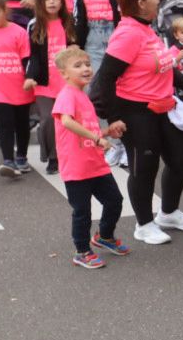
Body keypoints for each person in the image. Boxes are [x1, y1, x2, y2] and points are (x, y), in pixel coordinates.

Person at [91, 0, 183, 244]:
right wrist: (113, 118)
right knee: (144, 168)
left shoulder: (145, 28)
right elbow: (106, 77)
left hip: (164, 106)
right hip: (136, 112)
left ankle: (169, 213)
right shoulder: (128, 33)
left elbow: (164, 66)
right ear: (140, 3)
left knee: (181, 157)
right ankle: (144, 224)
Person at [50, 46, 128, 267]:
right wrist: (96, 139)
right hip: (76, 167)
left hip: (95, 164)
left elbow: (85, 131)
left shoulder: (83, 97)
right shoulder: (67, 95)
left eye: (87, 64)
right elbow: (66, 121)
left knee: (114, 201)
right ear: (64, 74)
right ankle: (82, 251)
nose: (85, 68)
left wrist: (106, 132)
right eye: (78, 65)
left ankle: (104, 236)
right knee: (82, 211)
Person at [0, 0, 35, 177]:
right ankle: (8, 161)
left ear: (5, 10)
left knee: (22, 123)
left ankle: (21, 157)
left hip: (20, 86)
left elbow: (28, 58)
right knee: (5, 122)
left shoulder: (18, 32)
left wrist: (29, 77)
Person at [23, 0, 71, 173]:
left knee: (68, 120)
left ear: (61, 1)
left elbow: (77, 50)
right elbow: (32, 56)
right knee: (48, 120)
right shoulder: (35, 25)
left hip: (67, 82)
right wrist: (30, 76)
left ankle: (68, 155)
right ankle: (52, 157)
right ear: (39, 3)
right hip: (44, 83)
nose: (51, 2)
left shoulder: (70, 22)